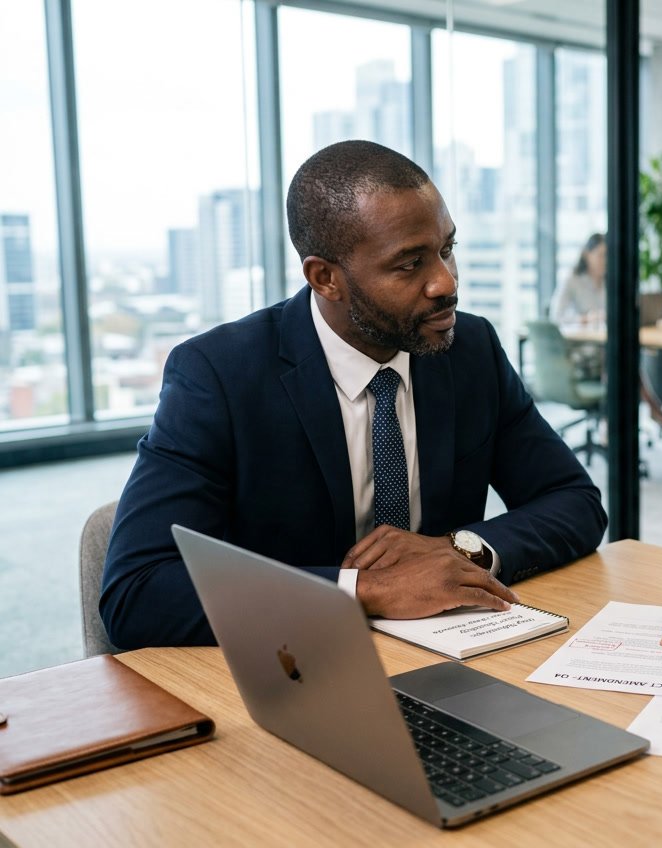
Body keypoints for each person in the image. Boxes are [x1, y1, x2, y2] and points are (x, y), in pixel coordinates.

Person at [100, 140, 607, 649]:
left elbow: (575, 502)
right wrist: (364, 590)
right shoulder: (219, 375)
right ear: (326, 278)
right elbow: (137, 592)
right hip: (295, 670)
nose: (446, 283)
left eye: (447, 249)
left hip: (453, 657)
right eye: (410, 264)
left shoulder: (469, 348)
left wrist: (459, 550)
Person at [549, 232, 662, 430]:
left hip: (604, 344)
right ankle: (644, 410)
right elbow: (555, 317)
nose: (605, 260)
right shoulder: (572, 280)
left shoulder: (610, 281)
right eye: (601, 255)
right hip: (580, 349)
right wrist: (585, 318)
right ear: (587, 254)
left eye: (608, 255)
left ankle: (612, 420)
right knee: (618, 356)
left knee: (622, 355)